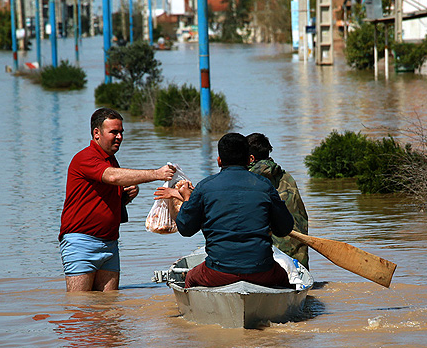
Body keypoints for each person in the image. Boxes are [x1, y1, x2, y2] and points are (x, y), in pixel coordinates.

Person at [156, 132, 295, 289]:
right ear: (248, 159)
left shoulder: (204, 187)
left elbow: (185, 229)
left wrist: (187, 199)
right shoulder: (265, 185)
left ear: (219, 161)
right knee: (285, 280)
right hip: (262, 270)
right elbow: (284, 229)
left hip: (218, 272)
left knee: (190, 278)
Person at [59, 108, 175, 292]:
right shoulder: (85, 157)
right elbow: (112, 177)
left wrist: (125, 198)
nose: (119, 137)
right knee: (80, 306)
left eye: (121, 132)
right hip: (81, 243)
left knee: (110, 304)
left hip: (110, 242)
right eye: (114, 132)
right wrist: (157, 174)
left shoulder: (111, 160)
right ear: (96, 133)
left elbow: (104, 199)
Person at [246, 132, 309, 269]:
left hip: (273, 257)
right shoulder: (286, 176)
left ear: (250, 158)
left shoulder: (248, 180)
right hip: (298, 256)